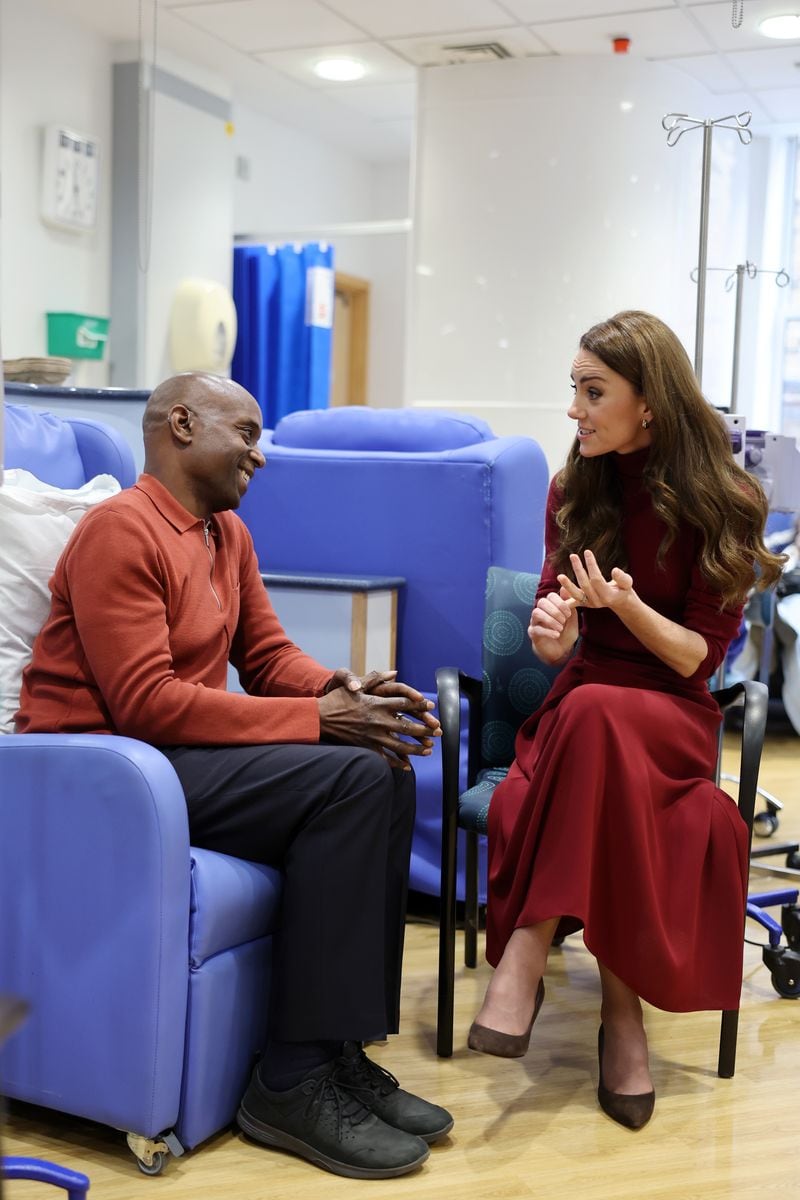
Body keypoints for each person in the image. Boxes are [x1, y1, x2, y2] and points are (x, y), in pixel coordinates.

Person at [15, 372, 453, 1179]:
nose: (261, 453)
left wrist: (339, 690)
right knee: (348, 779)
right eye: (246, 433)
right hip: (99, 775)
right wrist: (318, 722)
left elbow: (267, 656)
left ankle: (335, 1049)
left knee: (380, 769)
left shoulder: (226, 536)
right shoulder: (122, 530)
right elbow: (145, 701)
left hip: (166, 762)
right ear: (181, 425)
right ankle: (288, 1081)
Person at [467, 311, 784, 1130]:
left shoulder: (728, 498)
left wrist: (627, 608)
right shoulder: (574, 488)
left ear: (650, 403)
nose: (574, 409)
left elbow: (694, 661)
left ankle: (527, 952)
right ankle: (622, 1024)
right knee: (596, 711)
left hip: (672, 717)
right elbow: (556, 617)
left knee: (604, 716)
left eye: (592, 390)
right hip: (584, 708)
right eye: (573, 388)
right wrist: (557, 631)